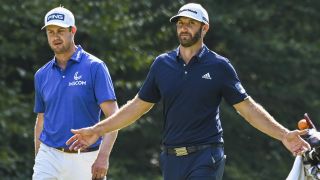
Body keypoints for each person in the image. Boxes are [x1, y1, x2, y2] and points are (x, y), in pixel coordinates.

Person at [66, 3, 310, 180]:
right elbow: (138, 106)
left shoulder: (219, 66)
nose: (184, 28)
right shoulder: (162, 64)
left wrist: (283, 135)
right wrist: (97, 130)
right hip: (171, 158)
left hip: (206, 155)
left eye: (190, 24)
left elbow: (247, 108)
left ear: (204, 29)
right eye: (181, 24)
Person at [33, 6, 118, 180]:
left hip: (86, 157)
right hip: (49, 155)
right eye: (50, 32)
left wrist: (103, 157)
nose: (55, 37)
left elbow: (113, 117)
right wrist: (38, 157)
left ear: (73, 31)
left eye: (60, 31)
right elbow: (41, 119)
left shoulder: (95, 67)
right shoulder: (41, 74)